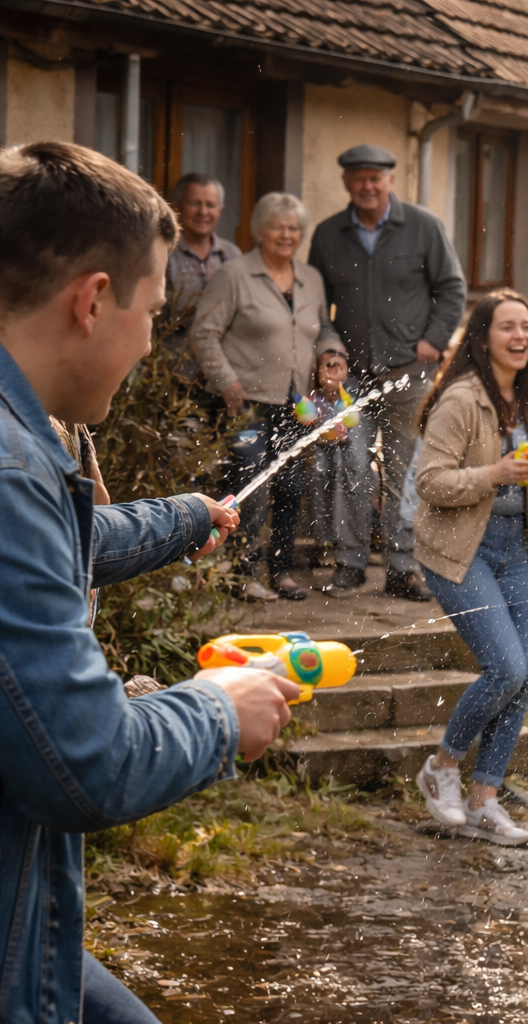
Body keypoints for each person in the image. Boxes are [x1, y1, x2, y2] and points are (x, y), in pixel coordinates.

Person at [0, 140, 299, 1024]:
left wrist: (185, 517)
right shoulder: (13, 471)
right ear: (94, 301)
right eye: (153, 309)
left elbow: (68, 543)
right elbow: (85, 764)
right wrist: (216, 706)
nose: (149, 337)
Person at [412, 290, 528, 847]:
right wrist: (494, 473)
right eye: (507, 327)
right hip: (459, 550)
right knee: (506, 669)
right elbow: (430, 482)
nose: (521, 336)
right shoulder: (462, 400)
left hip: (515, 549)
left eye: (527, 327)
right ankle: (442, 767)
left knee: (525, 680)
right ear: (483, 336)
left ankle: (484, 801)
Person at [308, 143, 467, 602]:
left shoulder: (423, 227)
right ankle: (351, 563)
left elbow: (452, 288)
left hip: (410, 373)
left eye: (375, 177)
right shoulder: (327, 234)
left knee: (406, 471)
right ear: (346, 183)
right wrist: (331, 347)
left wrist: (434, 341)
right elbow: (319, 307)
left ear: (390, 181)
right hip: (354, 376)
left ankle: (403, 567)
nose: (367, 185)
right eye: (358, 178)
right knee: (352, 465)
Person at [192, 191, 340, 602]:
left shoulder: (311, 278)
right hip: (246, 405)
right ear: (259, 231)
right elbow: (204, 333)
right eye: (278, 227)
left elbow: (322, 329)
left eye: (294, 228)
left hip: (296, 405)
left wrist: (331, 353)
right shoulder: (235, 275)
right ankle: (241, 573)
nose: (286, 235)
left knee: (291, 488)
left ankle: (281, 571)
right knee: (249, 487)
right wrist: (227, 382)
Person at [304, 340, 373, 594]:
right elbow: (305, 412)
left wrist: (340, 393)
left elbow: (352, 416)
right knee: (325, 484)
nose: (332, 371)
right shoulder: (314, 396)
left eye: (337, 365)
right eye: (327, 366)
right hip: (323, 446)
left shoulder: (347, 396)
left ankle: (357, 557)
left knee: (357, 474)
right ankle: (334, 550)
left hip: (343, 437)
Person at [159, 173, 242, 382]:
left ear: (220, 210)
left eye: (211, 205)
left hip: (224, 376)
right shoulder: (163, 255)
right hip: (173, 375)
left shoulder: (233, 255)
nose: (203, 212)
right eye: (195, 204)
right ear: (176, 207)